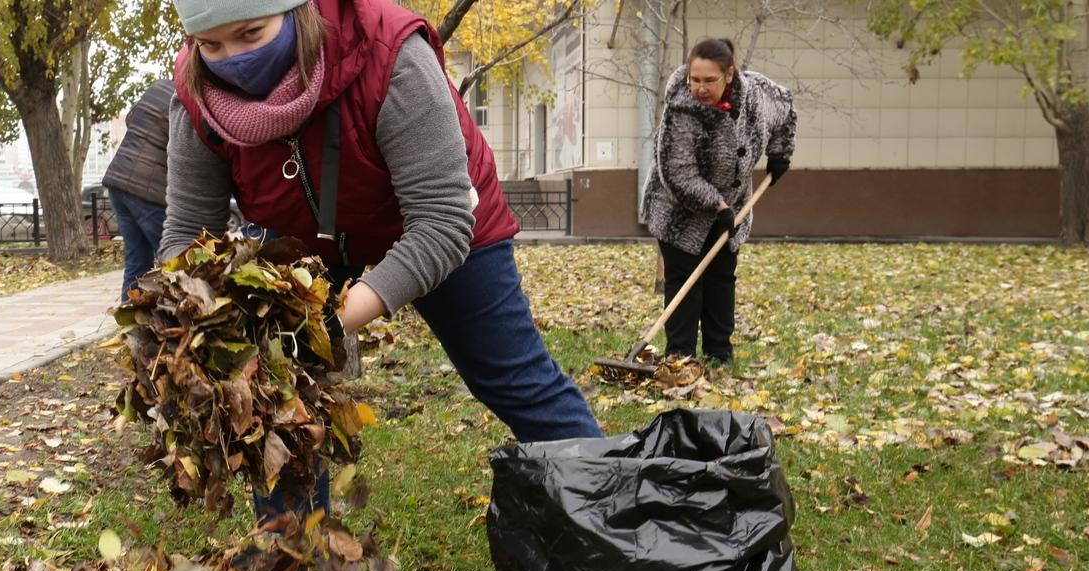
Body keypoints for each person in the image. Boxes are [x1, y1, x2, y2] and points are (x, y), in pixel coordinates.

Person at [160, 0, 604, 517]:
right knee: (281, 394)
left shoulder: (389, 51)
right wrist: (186, 319)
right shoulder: (197, 94)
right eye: (211, 44)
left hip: (440, 218)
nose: (232, 58)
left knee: (513, 378)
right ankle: (289, 562)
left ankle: (610, 515)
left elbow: (441, 222)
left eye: (251, 33)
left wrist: (322, 325)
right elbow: (187, 236)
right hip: (305, 236)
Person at [641, 38, 796, 365]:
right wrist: (717, 206)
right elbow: (678, 173)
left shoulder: (756, 95)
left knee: (721, 279)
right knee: (684, 281)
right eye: (694, 79)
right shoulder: (680, 109)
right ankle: (680, 356)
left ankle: (719, 355)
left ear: (729, 75)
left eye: (709, 80)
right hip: (678, 212)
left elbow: (785, 108)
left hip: (734, 204)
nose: (700, 88)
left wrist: (780, 153)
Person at [104, 79, 177, 300]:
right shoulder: (185, 100)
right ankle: (187, 323)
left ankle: (129, 325)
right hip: (148, 189)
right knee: (176, 262)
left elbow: (131, 119)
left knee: (137, 261)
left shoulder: (157, 87)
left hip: (118, 180)